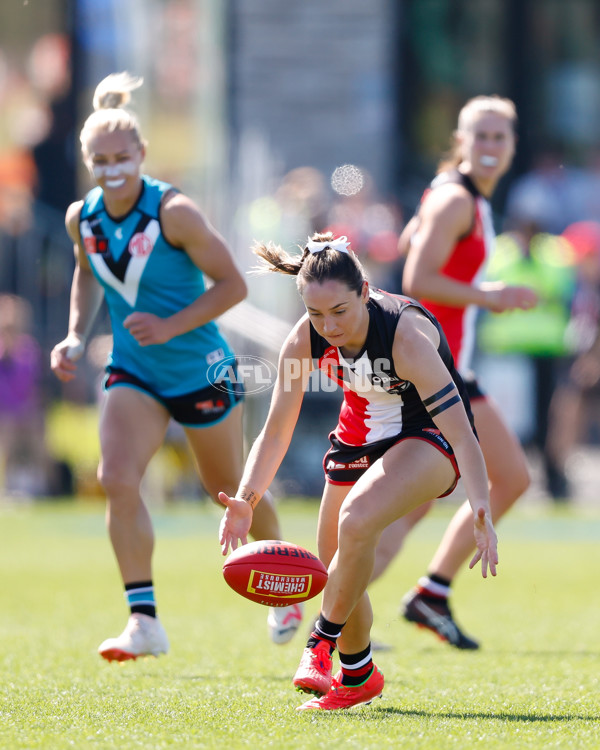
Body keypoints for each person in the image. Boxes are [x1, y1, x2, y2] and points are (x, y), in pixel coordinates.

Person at [50, 72, 302, 661]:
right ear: (88, 161)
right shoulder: (79, 218)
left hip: (200, 368)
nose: (112, 168)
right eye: (100, 159)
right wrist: (71, 335)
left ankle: (285, 587)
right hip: (134, 370)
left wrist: (168, 325)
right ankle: (144, 621)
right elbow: (87, 275)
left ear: (141, 154)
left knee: (234, 491)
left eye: (122, 156)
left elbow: (233, 286)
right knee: (117, 478)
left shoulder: (175, 211)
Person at [218, 232, 498, 711]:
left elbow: (463, 433)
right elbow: (276, 431)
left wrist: (481, 505)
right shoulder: (303, 339)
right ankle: (358, 676)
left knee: (357, 519)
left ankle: (317, 646)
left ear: (365, 292)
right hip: (359, 433)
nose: (328, 325)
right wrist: (247, 497)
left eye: (340, 312)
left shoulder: (405, 337)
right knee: (336, 562)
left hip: (429, 437)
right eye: (316, 314)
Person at [378, 95, 537, 649]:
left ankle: (402, 598)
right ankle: (405, 597)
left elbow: (406, 244)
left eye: (500, 137)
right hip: (438, 368)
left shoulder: (454, 193)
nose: (491, 146)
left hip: (440, 364)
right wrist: (488, 296)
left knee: (413, 501)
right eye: (482, 136)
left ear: (512, 145)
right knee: (510, 478)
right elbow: (417, 275)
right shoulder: (456, 200)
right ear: (462, 140)